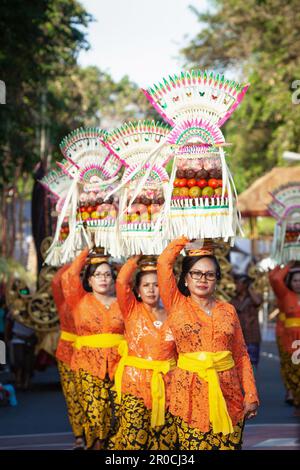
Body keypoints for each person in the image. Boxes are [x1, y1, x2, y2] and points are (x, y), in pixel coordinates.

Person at [157, 237, 259, 450]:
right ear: (185, 279)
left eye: (210, 274)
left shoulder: (228, 310)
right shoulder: (176, 305)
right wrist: (186, 237)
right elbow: (164, 263)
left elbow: (240, 354)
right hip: (189, 396)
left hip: (228, 393)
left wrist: (250, 393)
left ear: (216, 279)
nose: (203, 279)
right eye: (196, 273)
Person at [61, 248, 124, 450]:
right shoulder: (79, 300)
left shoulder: (124, 302)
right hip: (88, 367)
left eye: (107, 274)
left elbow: (127, 279)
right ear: (89, 280)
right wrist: (88, 250)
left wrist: (125, 258)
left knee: (118, 417)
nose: (103, 279)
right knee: (96, 416)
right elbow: (69, 275)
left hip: (119, 366)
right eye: (97, 275)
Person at [113, 255, 177, 450]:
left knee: (165, 443)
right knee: (134, 440)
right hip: (135, 385)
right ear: (138, 291)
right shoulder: (131, 310)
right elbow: (122, 281)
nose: (151, 289)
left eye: (156, 285)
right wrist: (136, 258)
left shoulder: (174, 313)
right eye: (146, 285)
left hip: (169, 386)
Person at [52, 265, 85, 450]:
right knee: (73, 395)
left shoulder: (90, 299)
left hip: (90, 354)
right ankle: (79, 434)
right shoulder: (62, 300)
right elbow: (56, 280)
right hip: (67, 352)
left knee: (89, 396)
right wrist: (72, 260)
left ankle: (94, 434)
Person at [268, 262, 300, 414]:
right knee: (294, 370)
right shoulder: (286, 295)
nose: (298, 283)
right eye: (295, 280)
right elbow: (275, 279)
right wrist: (290, 262)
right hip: (292, 340)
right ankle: (296, 398)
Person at [231, 275, 262, 369]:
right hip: (238, 337)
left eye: (238, 283)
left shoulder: (254, 298)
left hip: (252, 336)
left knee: (252, 365)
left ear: (245, 285)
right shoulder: (233, 300)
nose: (236, 285)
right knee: (238, 365)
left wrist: (249, 289)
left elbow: (257, 302)